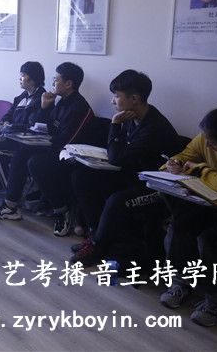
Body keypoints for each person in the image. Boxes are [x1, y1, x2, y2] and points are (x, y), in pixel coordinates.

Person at [69, 70, 179, 266]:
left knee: (116, 200)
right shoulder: (132, 117)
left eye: (116, 96)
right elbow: (118, 155)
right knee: (82, 178)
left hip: (155, 188)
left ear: (134, 98)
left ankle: (97, 247)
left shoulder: (154, 127)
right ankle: (97, 236)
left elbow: (117, 158)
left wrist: (115, 124)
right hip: (132, 175)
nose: (113, 101)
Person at [159, 105, 217, 327]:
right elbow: (185, 156)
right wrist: (175, 162)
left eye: (214, 143)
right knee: (181, 225)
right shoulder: (207, 137)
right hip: (214, 205)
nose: (207, 144)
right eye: (206, 138)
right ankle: (181, 281)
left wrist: (199, 169)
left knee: (213, 241)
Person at [0, 62, 93, 231]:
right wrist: (44, 108)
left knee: (35, 162)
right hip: (54, 147)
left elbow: (67, 140)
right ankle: (10, 206)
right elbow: (44, 127)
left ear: (68, 83)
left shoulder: (79, 106)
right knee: (21, 153)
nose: (53, 82)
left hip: (70, 155)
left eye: (56, 79)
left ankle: (62, 211)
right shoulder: (61, 102)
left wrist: (43, 141)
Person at [0, 61, 45, 195]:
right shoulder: (21, 97)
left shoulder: (42, 99)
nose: (20, 78)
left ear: (33, 78)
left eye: (23, 75)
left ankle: (6, 188)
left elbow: (34, 124)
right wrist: (6, 121)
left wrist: (13, 126)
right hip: (11, 137)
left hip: (25, 143)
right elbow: (8, 114)